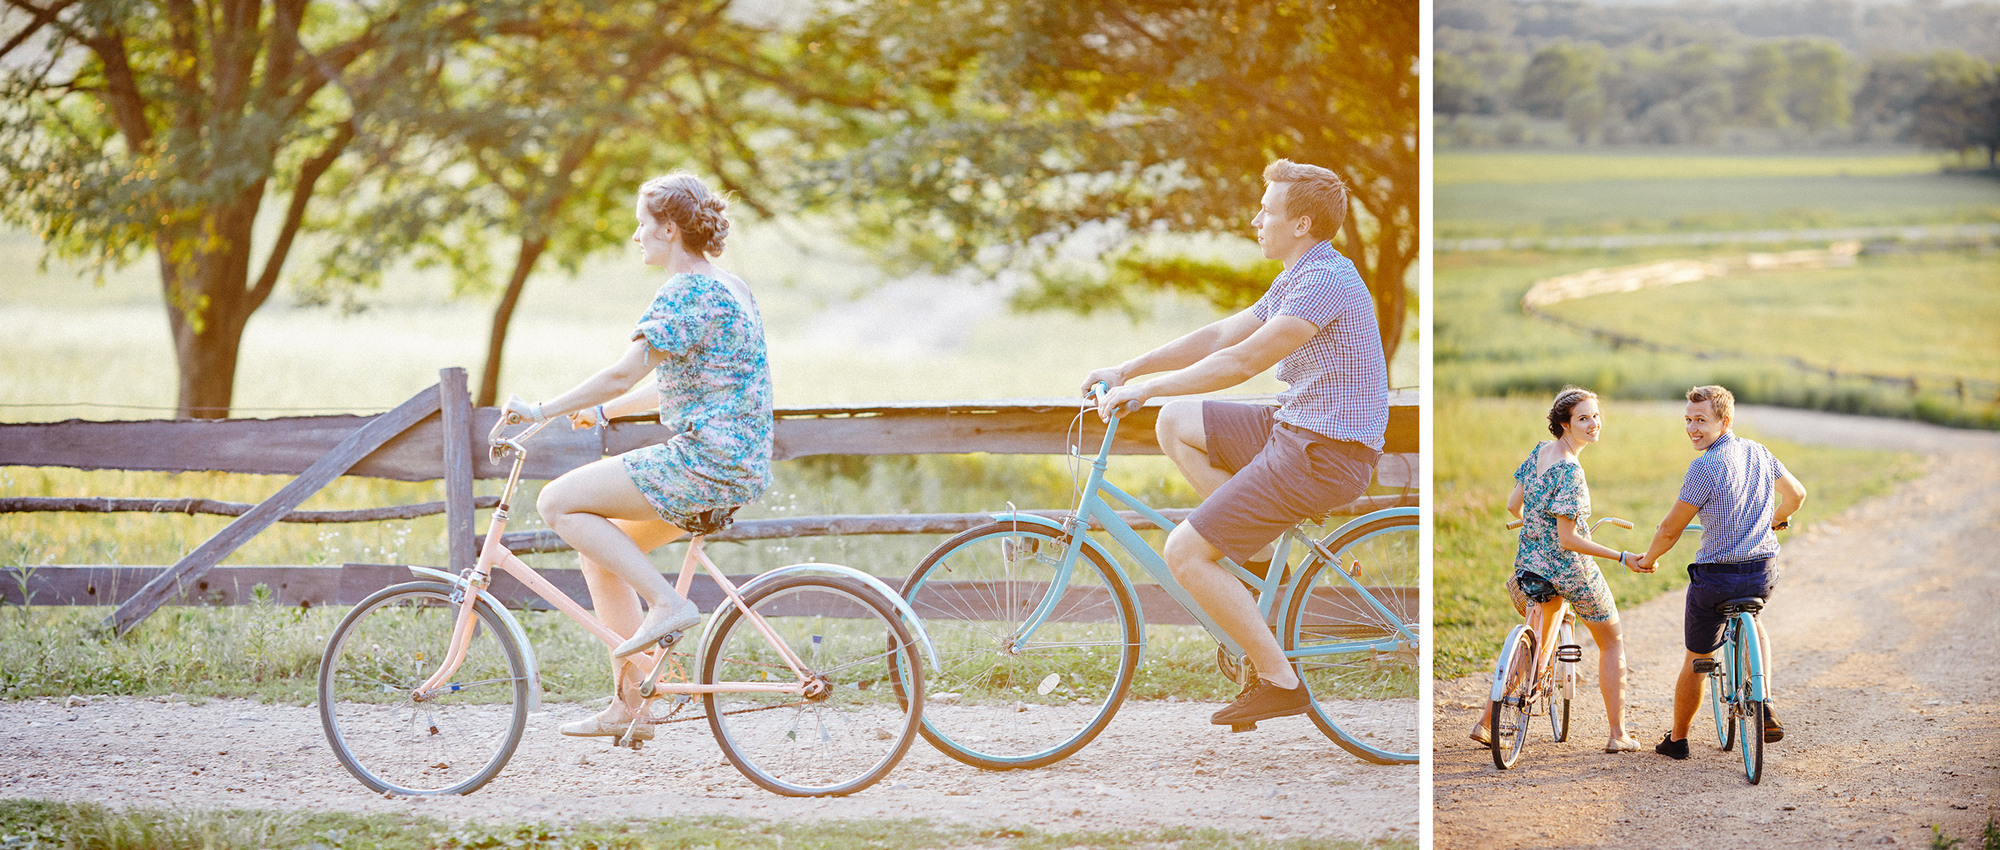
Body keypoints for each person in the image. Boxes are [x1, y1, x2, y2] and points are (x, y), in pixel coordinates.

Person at [1080, 159, 1388, 728]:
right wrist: (1128, 369)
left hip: (1322, 454)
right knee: (1176, 421)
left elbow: (1241, 361)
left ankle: (1279, 680)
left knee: (1184, 552)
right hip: (1295, 431)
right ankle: (1261, 561)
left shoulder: (1326, 281)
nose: (1255, 220)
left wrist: (1144, 389)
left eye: (1267, 211)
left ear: (1300, 224)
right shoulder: (1301, 273)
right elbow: (1223, 333)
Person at [504, 173, 773, 740]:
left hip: (705, 461)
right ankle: (634, 705)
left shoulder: (685, 291)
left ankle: (666, 603)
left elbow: (624, 370)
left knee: (557, 501)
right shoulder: (729, 287)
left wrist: (543, 410)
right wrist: (607, 413)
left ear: (669, 229)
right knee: (601, 559)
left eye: (643, 223)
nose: (636, 235)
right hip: (735, 461)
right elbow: (690, 383)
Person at [1631, 385, 1807, 759]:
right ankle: (1765, 699)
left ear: (1724, 422)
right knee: (1754, 618)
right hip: (1761, 572)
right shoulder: (1759, 452)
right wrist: (1779, 519)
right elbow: (1797, 494)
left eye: (1701, 421)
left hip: (1716, 579)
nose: (1693, 429)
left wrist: (1647, 559)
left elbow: (1670, 529)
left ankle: (1677, 740)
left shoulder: (1705, 467)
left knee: (1696, 658)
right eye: (1688, 421)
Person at [1467, 387, 1644, 754]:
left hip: (1530, 563)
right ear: (1564, 423)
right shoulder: (1571, 472)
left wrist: (1535, 524)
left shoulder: (1539, 453)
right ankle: (1618, 734)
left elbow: (1514, 504)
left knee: (1535, 635)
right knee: (1611, 640)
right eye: (1583, 418)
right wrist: (1622, 556)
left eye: (1596, 416)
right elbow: (1569, 539)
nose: (1593, 424)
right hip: (1568, 570)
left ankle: (1487, 722)